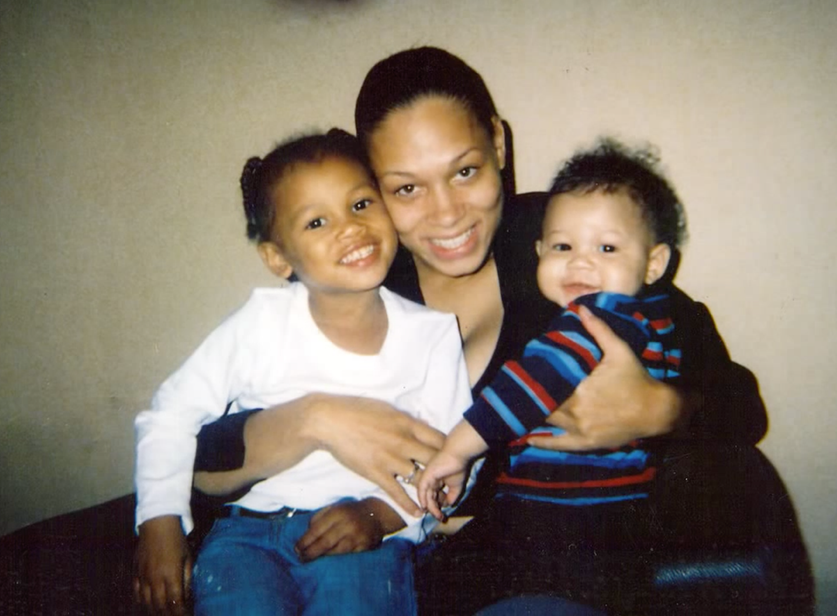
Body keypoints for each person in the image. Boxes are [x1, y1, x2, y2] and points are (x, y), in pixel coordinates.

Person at [186, 47, 766, 614]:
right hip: (368, 578)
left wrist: (661, 410)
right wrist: (315, 418)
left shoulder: (574, 248)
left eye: (464, 171)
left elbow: (740, 405)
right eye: (407, 188)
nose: (447, 214)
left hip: (530, 580)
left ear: (498, 143)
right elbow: (200, 466)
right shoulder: (353, 282)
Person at [132, 129, 473, 616]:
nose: (349, 228)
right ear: (277, 258)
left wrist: (376, 516)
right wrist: (160, 523)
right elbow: (170, 416)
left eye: (360, 204)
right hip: (247, 535)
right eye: (316, 221)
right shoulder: (262, 322)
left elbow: (449, 460)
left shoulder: (433, 336)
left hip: (361, 539)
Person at [416, 138, 685, 613]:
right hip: (604, 523)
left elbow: (524, 389)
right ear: (539, 251)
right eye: (563, 246)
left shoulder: (601, 319)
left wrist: (455, 451)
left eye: (606, 247)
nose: (580, 261)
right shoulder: (653, 320)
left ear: (654, 262)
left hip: (566, 526)